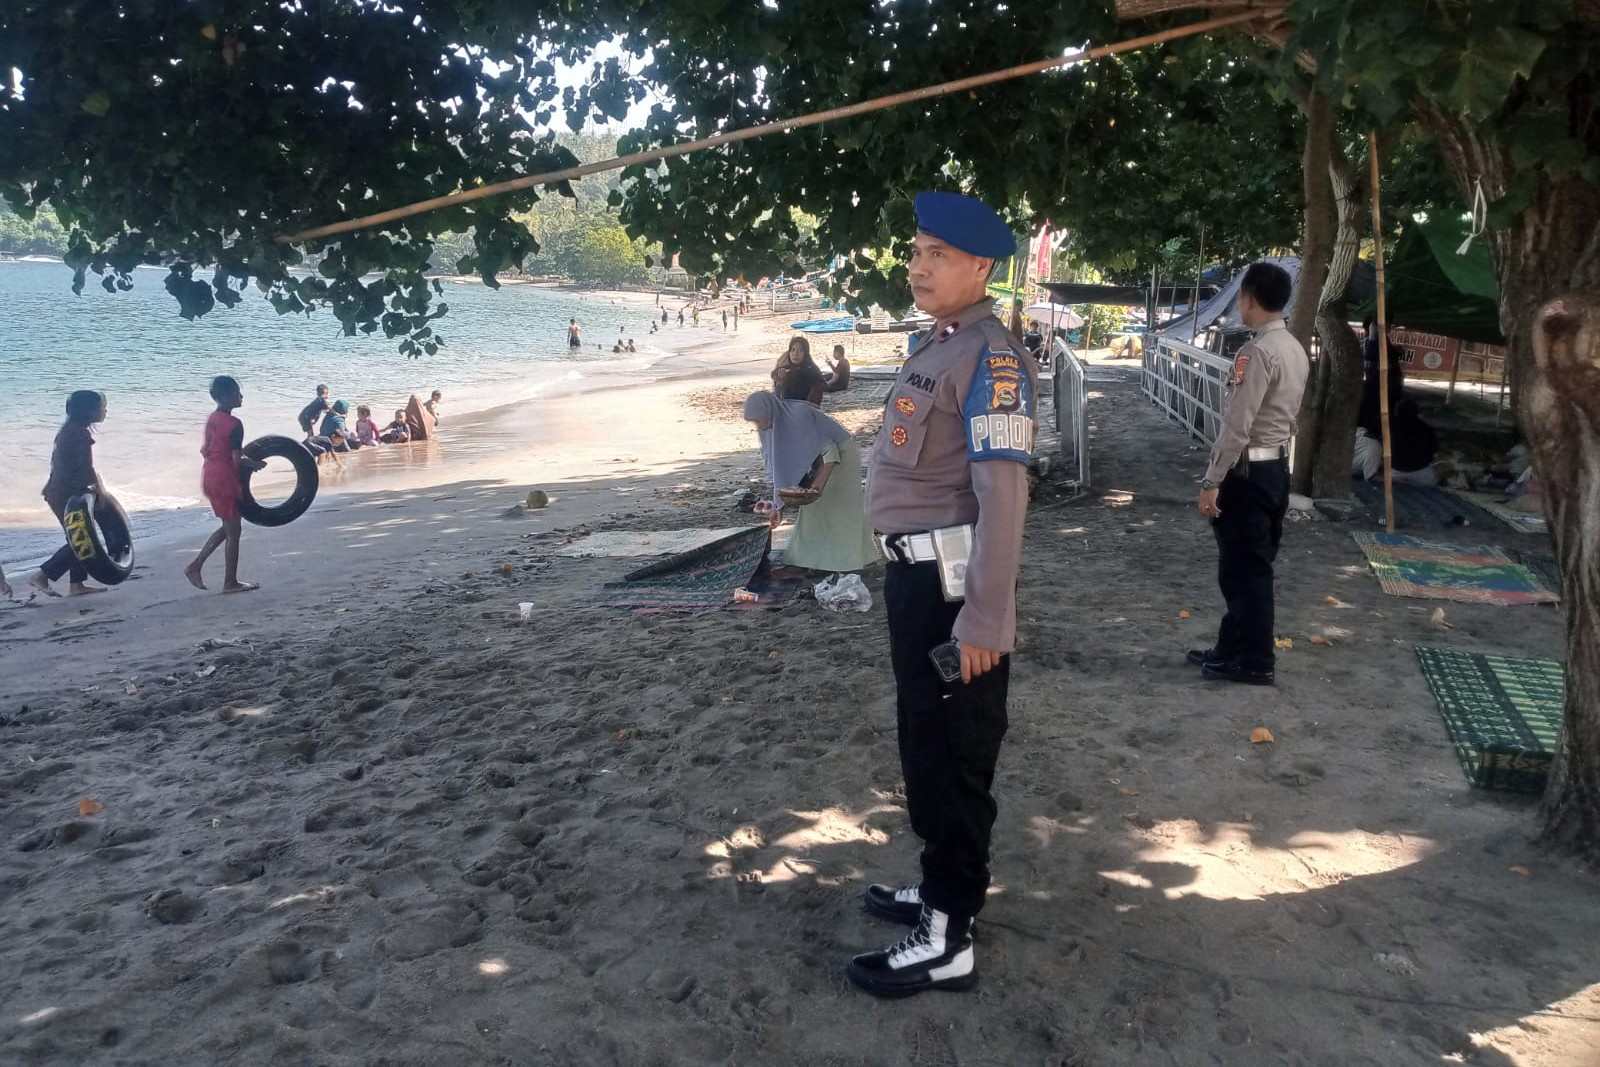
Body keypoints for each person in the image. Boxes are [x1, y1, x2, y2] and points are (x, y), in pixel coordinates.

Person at [849, 191, 1038, 999]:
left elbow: (1004, 494)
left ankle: (948, 936)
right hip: (915, 579)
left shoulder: (992, 359)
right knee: (924, 744)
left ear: (981, 267)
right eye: (915, 252)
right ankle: (939, 889)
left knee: (956, 754)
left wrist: (987, 617)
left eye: (938, 255)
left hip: (954, 588)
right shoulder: (940, 344)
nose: (917, 267)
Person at [1190, 261, 1309, 686]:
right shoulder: (1293, 348)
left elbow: (1237, 426)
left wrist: (1212, 480)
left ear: (1250, 298)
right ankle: (1232, 647)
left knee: (1243, 571)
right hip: (1274, 469)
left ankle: (1256, 660)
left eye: (1241, 295)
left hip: (1246, 474)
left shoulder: (1256, 353)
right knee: (1252, 565)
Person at [744, 377, 876, 572]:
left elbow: (830, 451)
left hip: (841, 453)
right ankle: (818, 560)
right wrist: (778, 507)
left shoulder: (798, 417)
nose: (758, 426)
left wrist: (816, 488)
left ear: (768, 411)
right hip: (821, 460)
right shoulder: (773, 425)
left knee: (838, 508)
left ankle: (843, 560)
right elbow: (781, 467)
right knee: (816, 511)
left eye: (758, 420)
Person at [184, 376, 263, 593]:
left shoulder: (212, 418)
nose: (241, 396)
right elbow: (237, 460)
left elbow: (209, 449)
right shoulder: (235, 424)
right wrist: (254, 464)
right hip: (224, 478)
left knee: (229, 526)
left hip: (210, 475)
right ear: (227, 396)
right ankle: (230, 582)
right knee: (234, 532)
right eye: (237, 393)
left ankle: (195, 566)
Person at [29, 390, 111, 598]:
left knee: (78, 537)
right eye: (102, 407)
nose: (105, 411)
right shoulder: (78, 434)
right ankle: (42, 575)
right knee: (81, 540)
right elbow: (85, 469)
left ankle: (76, 585)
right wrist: (97, 490)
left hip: (61, 492)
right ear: (89, 411)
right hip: (65, 495)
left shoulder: (71, 430)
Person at [1354, 397, 1438, 485]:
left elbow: (1371, 434)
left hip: (1395, 471)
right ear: (1417, 413)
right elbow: (1434, 451)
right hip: (1421, 472)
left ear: (1396, 411)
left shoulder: (1389, 424)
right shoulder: (1427, 429)